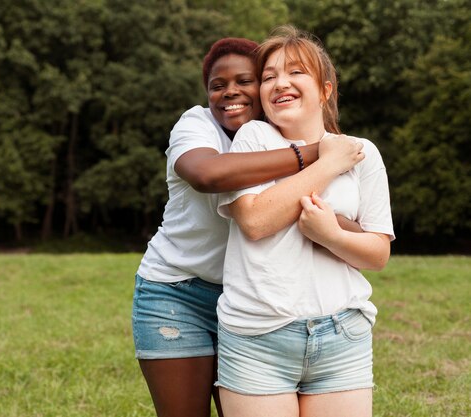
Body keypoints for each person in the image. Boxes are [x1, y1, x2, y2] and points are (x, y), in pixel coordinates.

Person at [132, 37, 364, 417]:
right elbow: (207, 174)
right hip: (177, 293)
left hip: (250, 302)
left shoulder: (279, 131)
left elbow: (327, 221)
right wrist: (320, 155)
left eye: (245, 81)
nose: (230, 93)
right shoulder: (197, 124)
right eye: (217, 85)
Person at [215, 26, 395, 417]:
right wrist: (329, 162)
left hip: (341, 335)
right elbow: (257, 220)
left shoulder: (362, 153)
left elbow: (378, 253)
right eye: (269, 76)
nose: (280, 83)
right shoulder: (254, 138)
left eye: (296, 72)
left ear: (325, 90)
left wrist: (330, 234)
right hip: (258, 336)